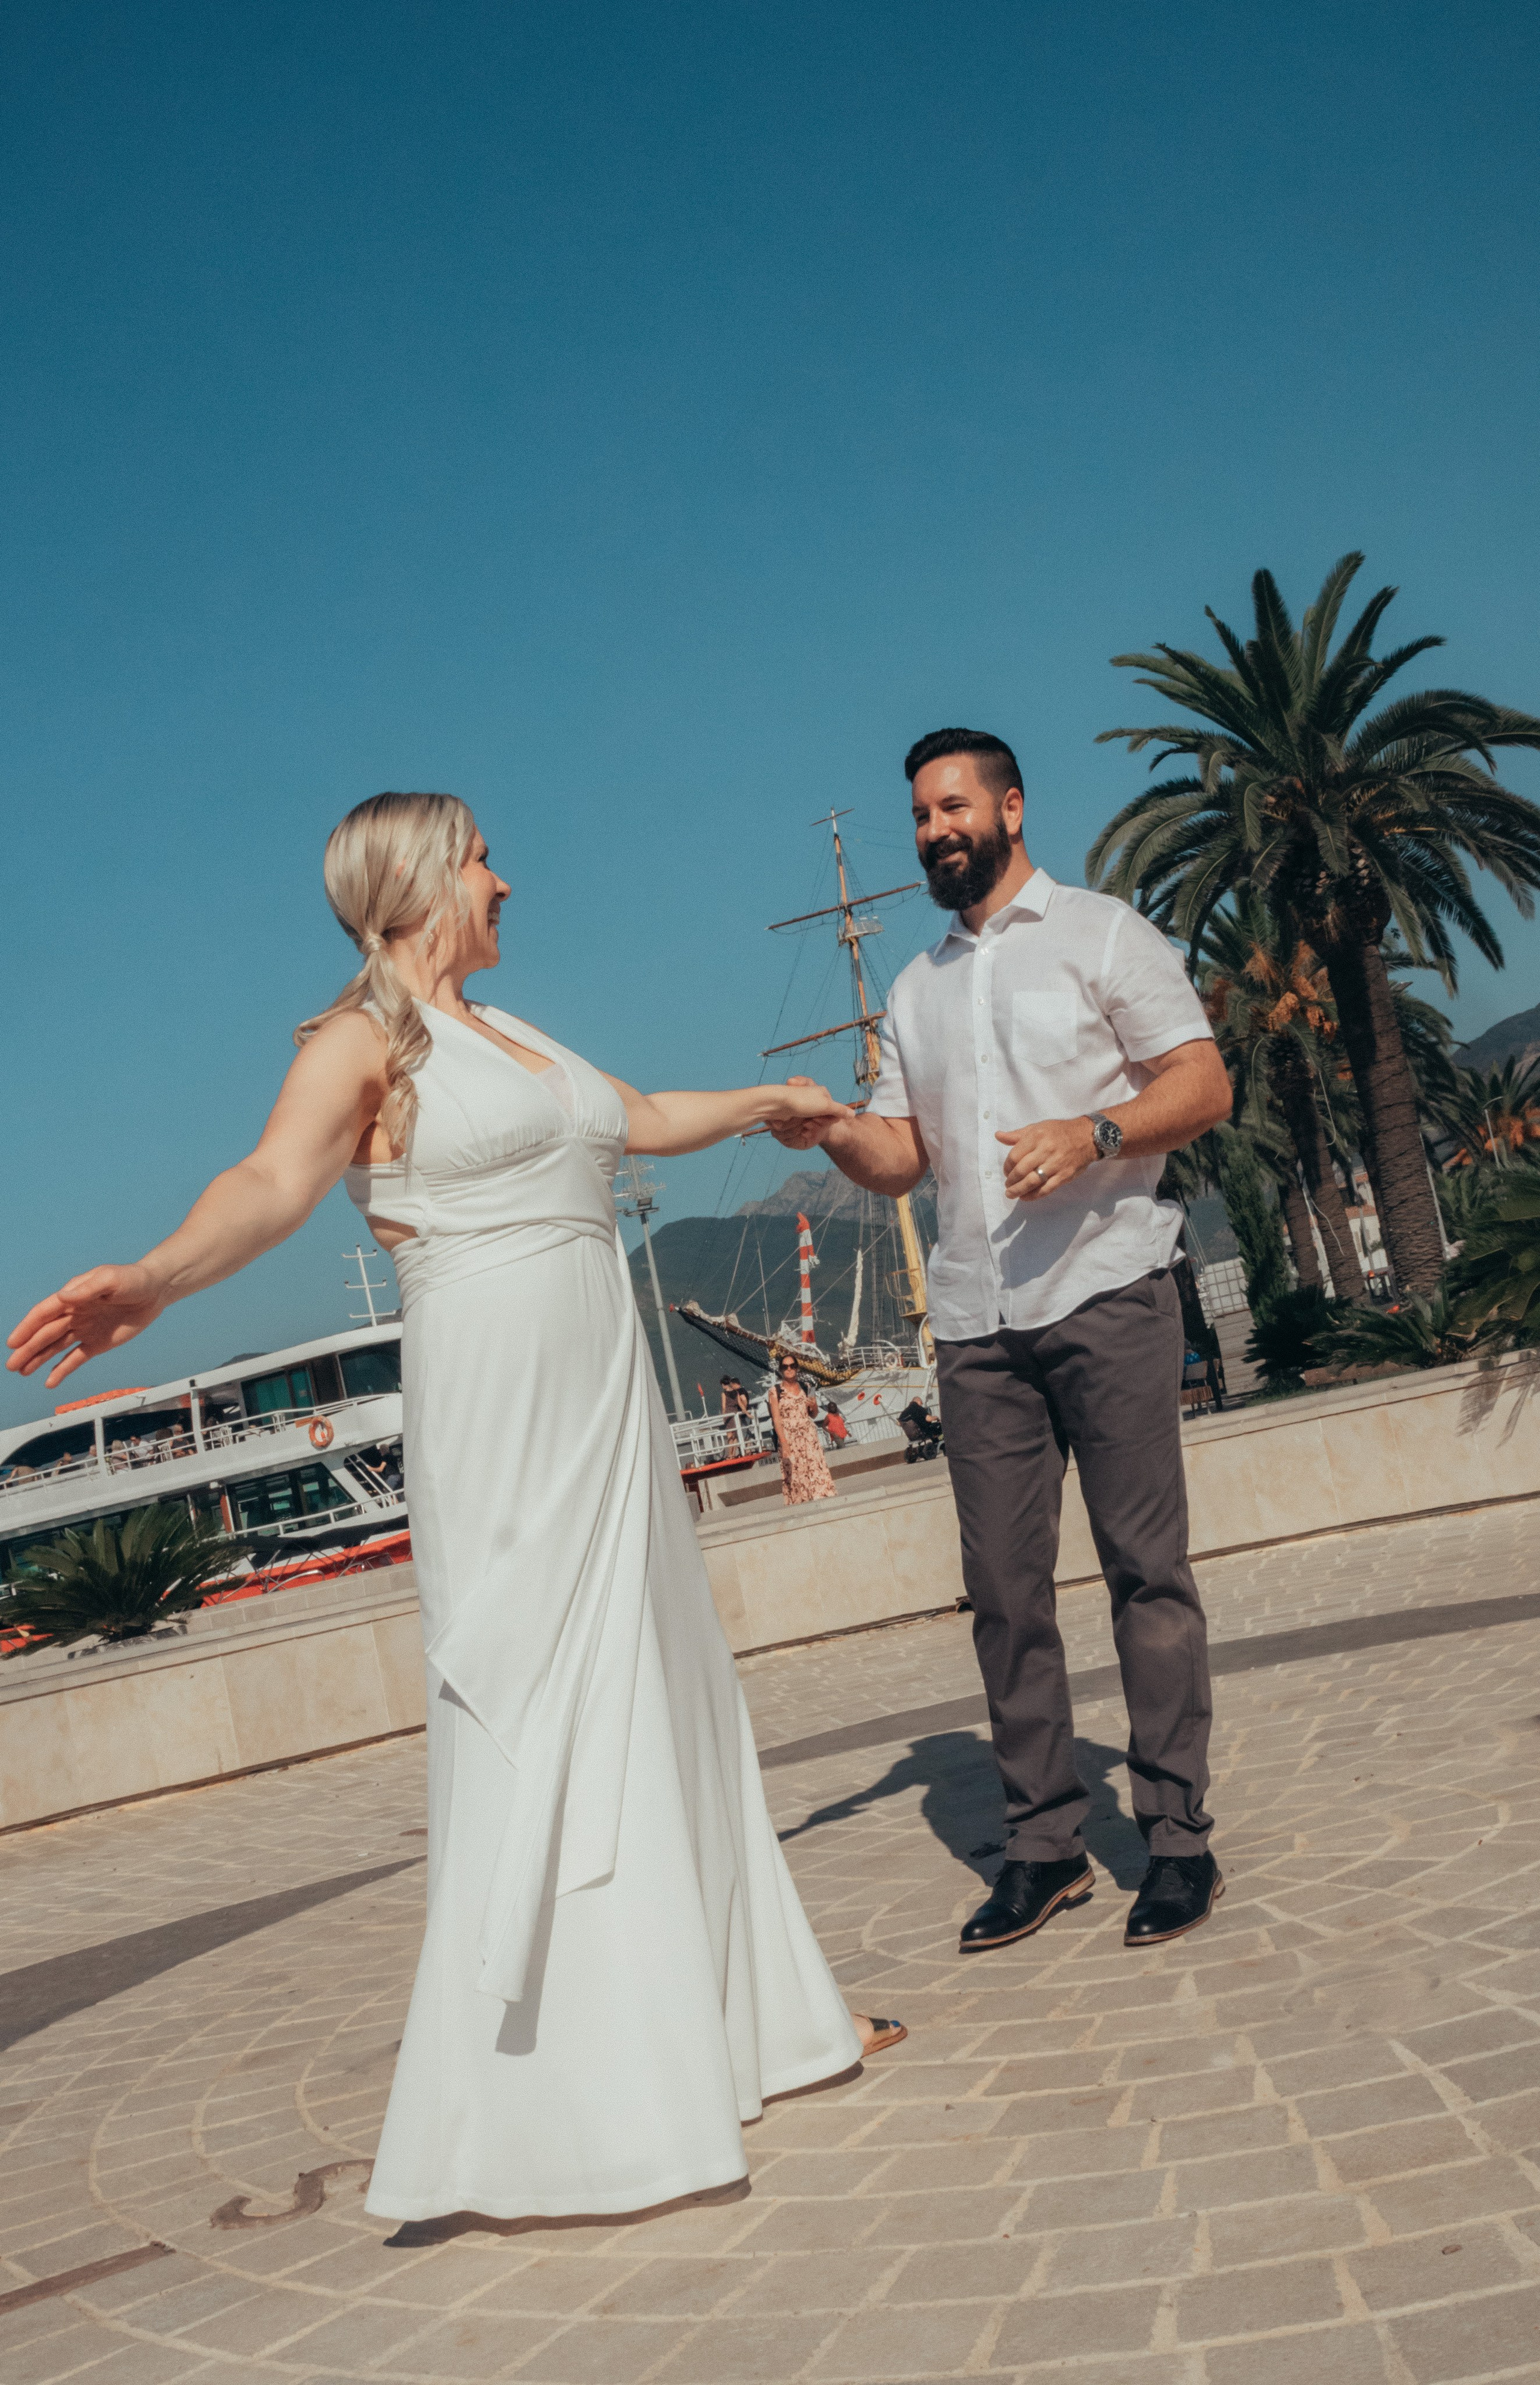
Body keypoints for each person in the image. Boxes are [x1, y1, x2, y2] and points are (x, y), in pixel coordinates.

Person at [6, 790, 904, 2227]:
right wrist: (159, 1280)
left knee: (659, 1691)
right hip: (500, 1404)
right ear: (422, 877)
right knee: (535, 1701)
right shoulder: (364, 1039)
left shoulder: (522, 1036)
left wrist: (767, 1102)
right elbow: (271, 1180)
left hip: (605, 1399)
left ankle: (741, 2027)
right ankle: (573, 2103)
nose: (506, 876)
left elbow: (641, 1120)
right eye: (481, 856)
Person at [774, 728, 1234, 1951]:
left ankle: (1176, 1840)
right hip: (979, 1323)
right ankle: (1043, 1846)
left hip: (1108, 1287)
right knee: (1002, 1596)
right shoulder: (914, 986)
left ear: (1010, 807)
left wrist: (1092, 1133)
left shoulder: (1101, 934)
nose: (932, 830)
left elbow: (1201, 1081)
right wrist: (824, 1127)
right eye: (919, 815)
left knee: (1146, 1573)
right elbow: (899, 1158)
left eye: (951, 806)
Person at [766, 1352, 837, 1505]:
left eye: (792, 1366)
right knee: (796, 1475)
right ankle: (802, 1504)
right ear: (780, 1370)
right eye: (785, 1367)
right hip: (789, 1438)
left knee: (815, 1469)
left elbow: (813, 1414)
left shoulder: (806, 1387)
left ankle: (822, 1501)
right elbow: (777, 1419)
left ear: (797, 1368)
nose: (789, 1369)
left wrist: (814, 1406)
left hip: (808, 1436)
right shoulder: (775, 1392)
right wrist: (783, 1443)